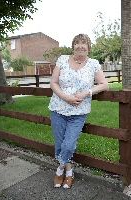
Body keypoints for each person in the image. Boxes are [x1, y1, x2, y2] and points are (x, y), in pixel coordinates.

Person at [48, 33, 109, 188]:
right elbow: (53, 83)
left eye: (84, 43)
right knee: (60, 143)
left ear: (88, 47)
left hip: (79, 112)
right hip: (58, 108)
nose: (80, 46)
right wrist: (66, 97)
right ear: (73, 46)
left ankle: (59, 168)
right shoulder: (62, 59)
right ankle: (68, 172)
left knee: (68, 145)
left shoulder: (93, 64)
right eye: (77, 43)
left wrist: (87, 92)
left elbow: (104, 84)